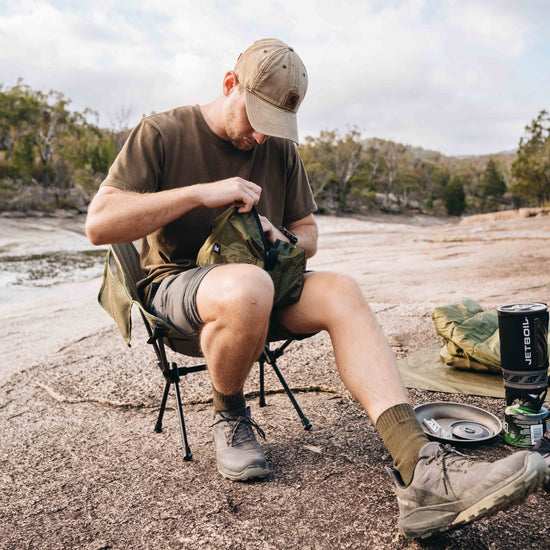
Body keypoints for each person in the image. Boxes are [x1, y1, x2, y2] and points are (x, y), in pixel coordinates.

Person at [85, 38, 549, 540]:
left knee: (342, 291)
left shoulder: (278, 148)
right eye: (257, 119)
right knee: (248, 287)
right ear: (228, 84)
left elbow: (308, 232)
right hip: (178, 288)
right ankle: (229, 416)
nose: (264, 138)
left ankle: (424, 473)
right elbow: (100, 223)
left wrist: (281, 235)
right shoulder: (161, 132)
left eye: (276, 126)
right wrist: (201, 193)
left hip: (262, 285)